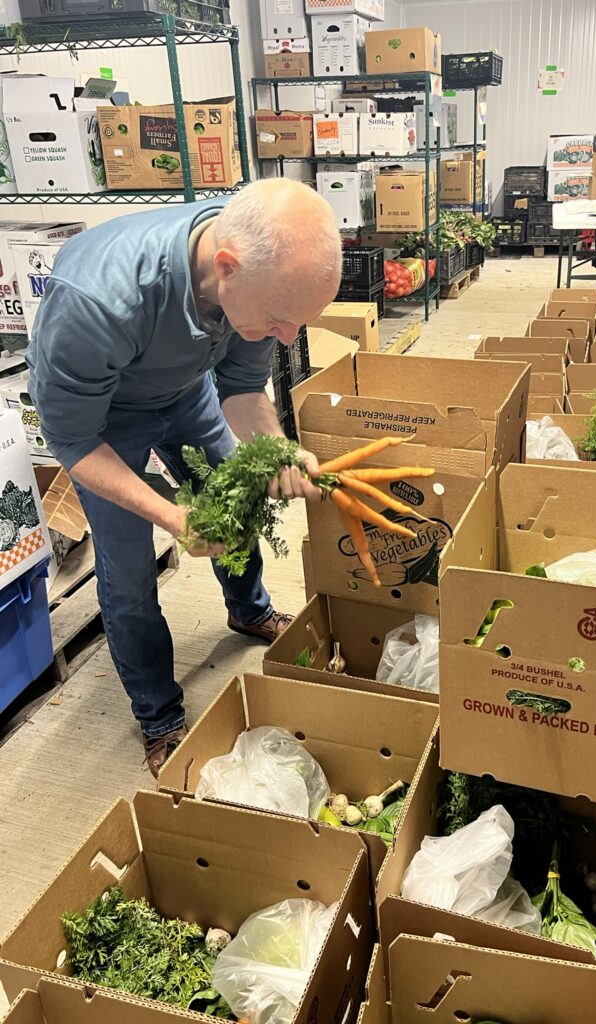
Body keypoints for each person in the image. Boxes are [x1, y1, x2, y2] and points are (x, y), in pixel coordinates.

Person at [27, 180, 342, 775]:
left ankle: (249, 608)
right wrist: (173, 516)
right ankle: (159, 716)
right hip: (105, 422)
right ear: (225, 267)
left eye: (297, 323)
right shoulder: (98, 302)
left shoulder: (258, 275)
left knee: (235, 497)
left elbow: (242, 389)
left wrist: (277, 450)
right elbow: (73, 441)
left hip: (187, 391)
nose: (287, 337)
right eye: (279, 321)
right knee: (128, 573)